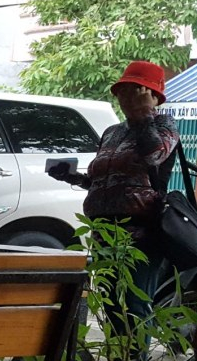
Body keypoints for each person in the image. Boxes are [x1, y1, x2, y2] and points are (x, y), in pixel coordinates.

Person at [48, 59, 179, 307]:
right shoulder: (112, 132)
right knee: (110, 305)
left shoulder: (163, 124)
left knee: (134, 306)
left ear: (153, 97)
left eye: (136, 92)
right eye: (122, 92)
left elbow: (154, 154)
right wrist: (70, 177)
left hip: (140, 235)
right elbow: (101, 182)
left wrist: (143, 115)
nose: (127, 98)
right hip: (103, 233)